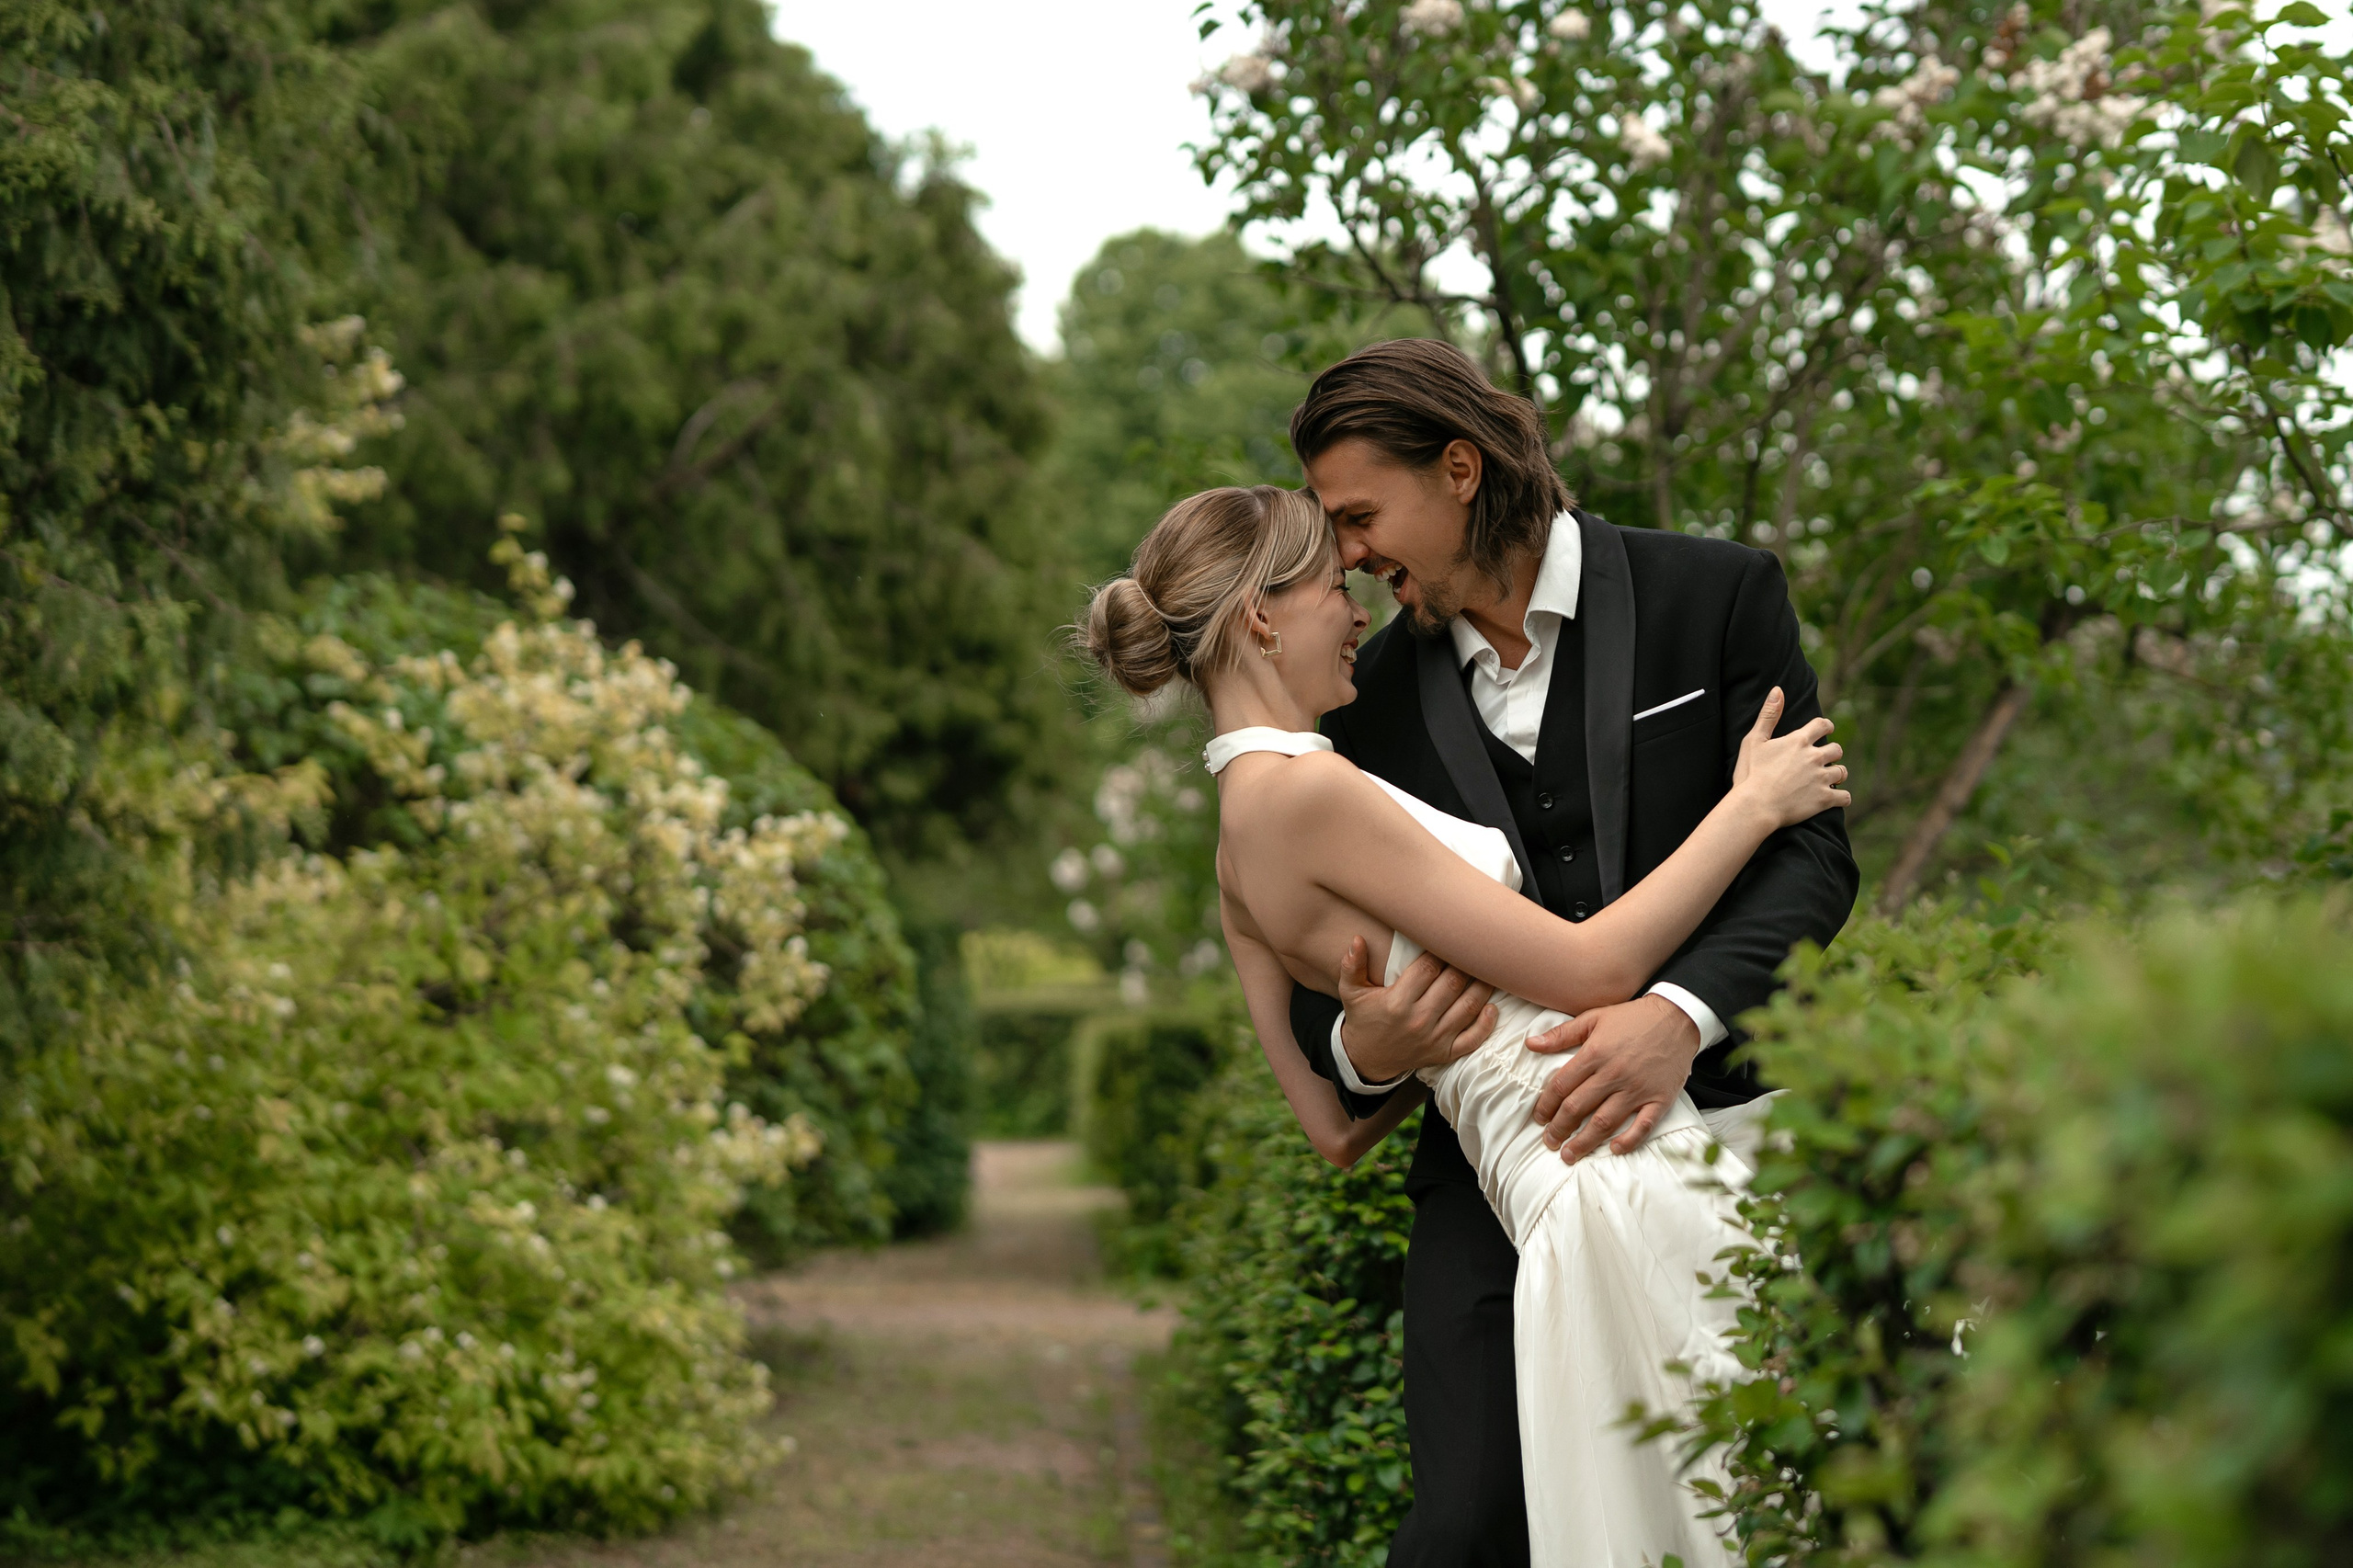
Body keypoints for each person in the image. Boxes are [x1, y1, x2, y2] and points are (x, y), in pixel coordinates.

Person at [1079, 473, 1852, 1568]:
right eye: (1330, 589)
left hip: (1544, 1178)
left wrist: (1379, 1050)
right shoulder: (1312, 792)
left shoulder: (1231, 842)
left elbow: (1336, 1128)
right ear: (1261, 617)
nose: (1359, 611)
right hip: (1607, 1165)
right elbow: (1590, 968)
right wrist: (1750, 807)